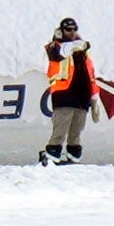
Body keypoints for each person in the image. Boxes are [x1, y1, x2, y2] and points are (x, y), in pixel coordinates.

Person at [41, 18, 95, 165]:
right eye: (68, 30)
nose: (72, 33)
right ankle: (51, 159)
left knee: (76, 132)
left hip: (82, 97)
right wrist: (74, 46)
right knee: (60, 131)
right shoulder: (54, 46)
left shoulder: (82, 51)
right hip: (64, 95)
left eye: (74, 29)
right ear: (62, 31)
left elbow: (90, 74)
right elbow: (58, 53)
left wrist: (94, 96)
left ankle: (73, 160)